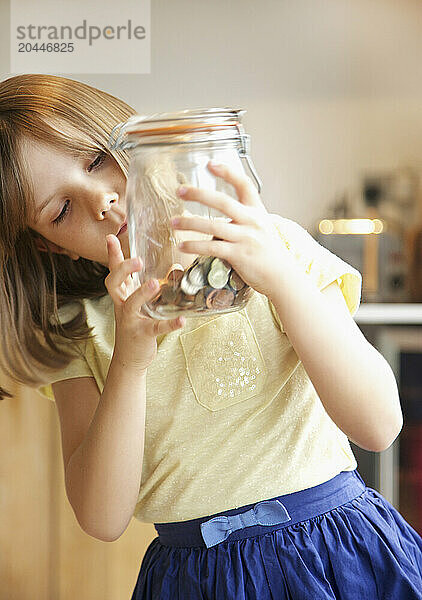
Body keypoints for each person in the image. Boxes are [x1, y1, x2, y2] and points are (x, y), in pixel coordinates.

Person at [0, 73, 421, 600]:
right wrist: (130, 362)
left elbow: (380, 426)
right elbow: (101, 517)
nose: (103, 201)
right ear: (49, 248)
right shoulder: (78, 326)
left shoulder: (277, 246)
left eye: (96, 159)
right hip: (195, 583)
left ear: (138, 142)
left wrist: (283, 279)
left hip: (337, 555)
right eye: (60, 211)